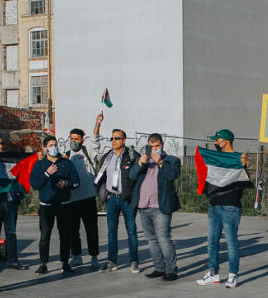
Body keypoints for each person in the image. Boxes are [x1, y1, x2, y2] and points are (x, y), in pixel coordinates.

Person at [196, 129, 249, 289]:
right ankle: (213, 273)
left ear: (226, 141)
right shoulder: (216, 158)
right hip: (214, 205)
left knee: (231, 242)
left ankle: (233, 275)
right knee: (211, 241)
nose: (215, 143)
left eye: (217, 140)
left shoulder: (238, 158)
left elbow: (245, 181)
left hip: (230, 206)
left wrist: (244, 166)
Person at [130, 133, 182, 281]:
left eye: (156, 146)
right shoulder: (144, 161)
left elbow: (172, 175)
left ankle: (171, 270)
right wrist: (140, 162)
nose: (154, 149)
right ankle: (159, 268)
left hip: (160, 206)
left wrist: (160, 163)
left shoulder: (171, 160)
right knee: (151, 239)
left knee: (163, 238)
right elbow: (132, 176)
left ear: (162, 145)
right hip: (144, 206)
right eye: (151, 146)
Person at [90, 123, 140, 273]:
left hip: (127, 200)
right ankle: (112, 261)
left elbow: (138, 175)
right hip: (112, 199)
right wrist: (103, 193)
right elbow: (101, 177)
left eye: (117, 138)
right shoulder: (107, 156)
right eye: (112, 138)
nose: (113, 141)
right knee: (111, 231)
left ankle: (134, 261)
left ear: (124, 140)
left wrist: (135, 196)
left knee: (131, 231)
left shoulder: (132, 155)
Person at [30, 136, 80, 274]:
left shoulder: (66, 163)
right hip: (46, 206)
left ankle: (65, 262)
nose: (54, 147)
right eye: (51, 145)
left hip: (64, 205)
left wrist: (66, 184)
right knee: (45, 235)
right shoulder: (39, 165)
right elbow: (35, 184)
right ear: (45, 148)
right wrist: (47, 173)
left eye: (55, 144)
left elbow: (76, 181)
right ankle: (43, 263)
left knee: (65, 235)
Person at [63, 116, 103, 269]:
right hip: (72, 199)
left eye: (76, 139)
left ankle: (94, 256)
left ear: (82, 140)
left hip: (88, 197)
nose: (73, 141)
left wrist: (97, 124)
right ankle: (77, 256)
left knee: (91, 229)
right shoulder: (67, 154)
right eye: (71, 138)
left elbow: (96, 139)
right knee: (74, 230)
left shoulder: (89, 151)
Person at [0, 135, 28, 271]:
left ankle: (12, 260)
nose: (0, 147)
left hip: (10, 199)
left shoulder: (12, 158)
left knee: (11, 232)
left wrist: (19, 194)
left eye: (2, 144)